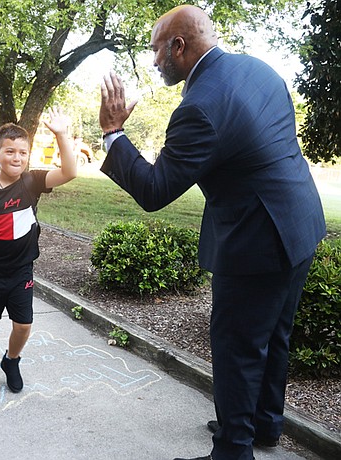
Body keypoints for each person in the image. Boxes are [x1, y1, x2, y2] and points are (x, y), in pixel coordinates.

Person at [98, 5, 326, 460]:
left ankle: (233, 451)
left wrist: (114, 133)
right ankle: (264, 425)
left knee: (237, 349)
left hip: (256, 243)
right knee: (274, 336)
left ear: (178, 46)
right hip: (301, 224)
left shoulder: (199, 108)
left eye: (157, 50)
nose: (154, 61)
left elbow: (155, 189)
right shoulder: (257, 69)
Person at [0, 107, 77, 396]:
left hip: (21, 270)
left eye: (22, 152)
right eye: (9, 152)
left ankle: (11, 361)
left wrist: (60, 135)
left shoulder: (32, 182)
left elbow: (70, 172)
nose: (16, 158)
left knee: (23, 324)